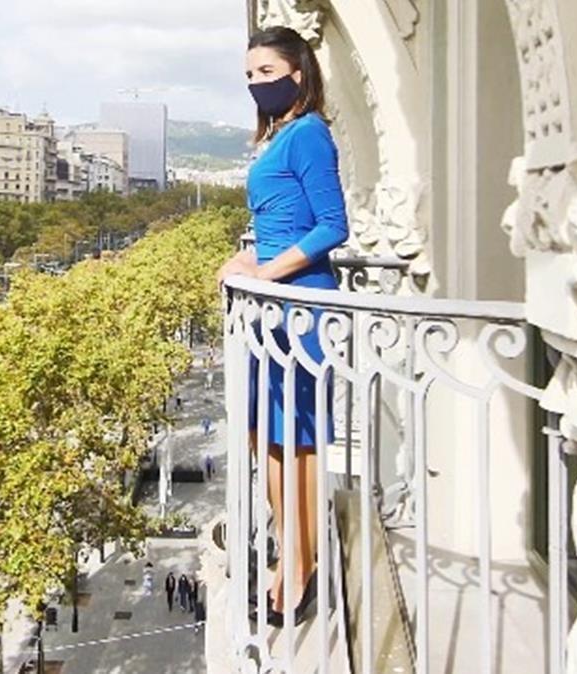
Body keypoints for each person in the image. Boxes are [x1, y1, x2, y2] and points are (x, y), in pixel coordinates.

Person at [216, 26, 348, 629]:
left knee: (295, 443)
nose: (255, 84)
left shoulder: (309, 135)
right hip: (273, 307)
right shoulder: (280, 138)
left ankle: (301, 569)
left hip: (299, 307)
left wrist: (266, 271)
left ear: (299, 71)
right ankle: (289, 554)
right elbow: (276, 220)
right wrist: (249, 260)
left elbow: (330, 226)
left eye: (267, 72)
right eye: (249, 75)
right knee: (263, 436)